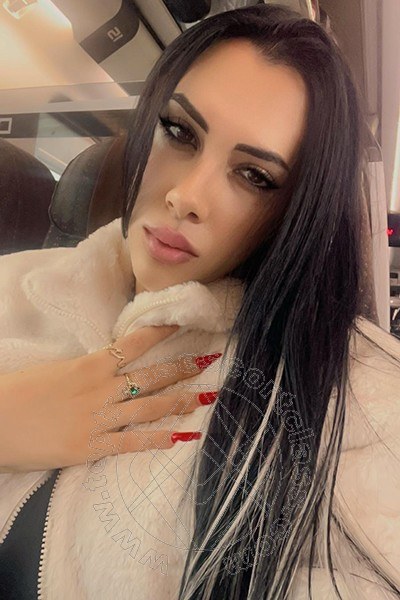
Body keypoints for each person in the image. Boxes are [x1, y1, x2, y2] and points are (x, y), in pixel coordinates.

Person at [0, 3, 399, 599]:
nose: (186, 196)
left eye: (254, 176)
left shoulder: (359, 396)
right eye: (180, 132)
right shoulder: (15, 285)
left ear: (295, 212)